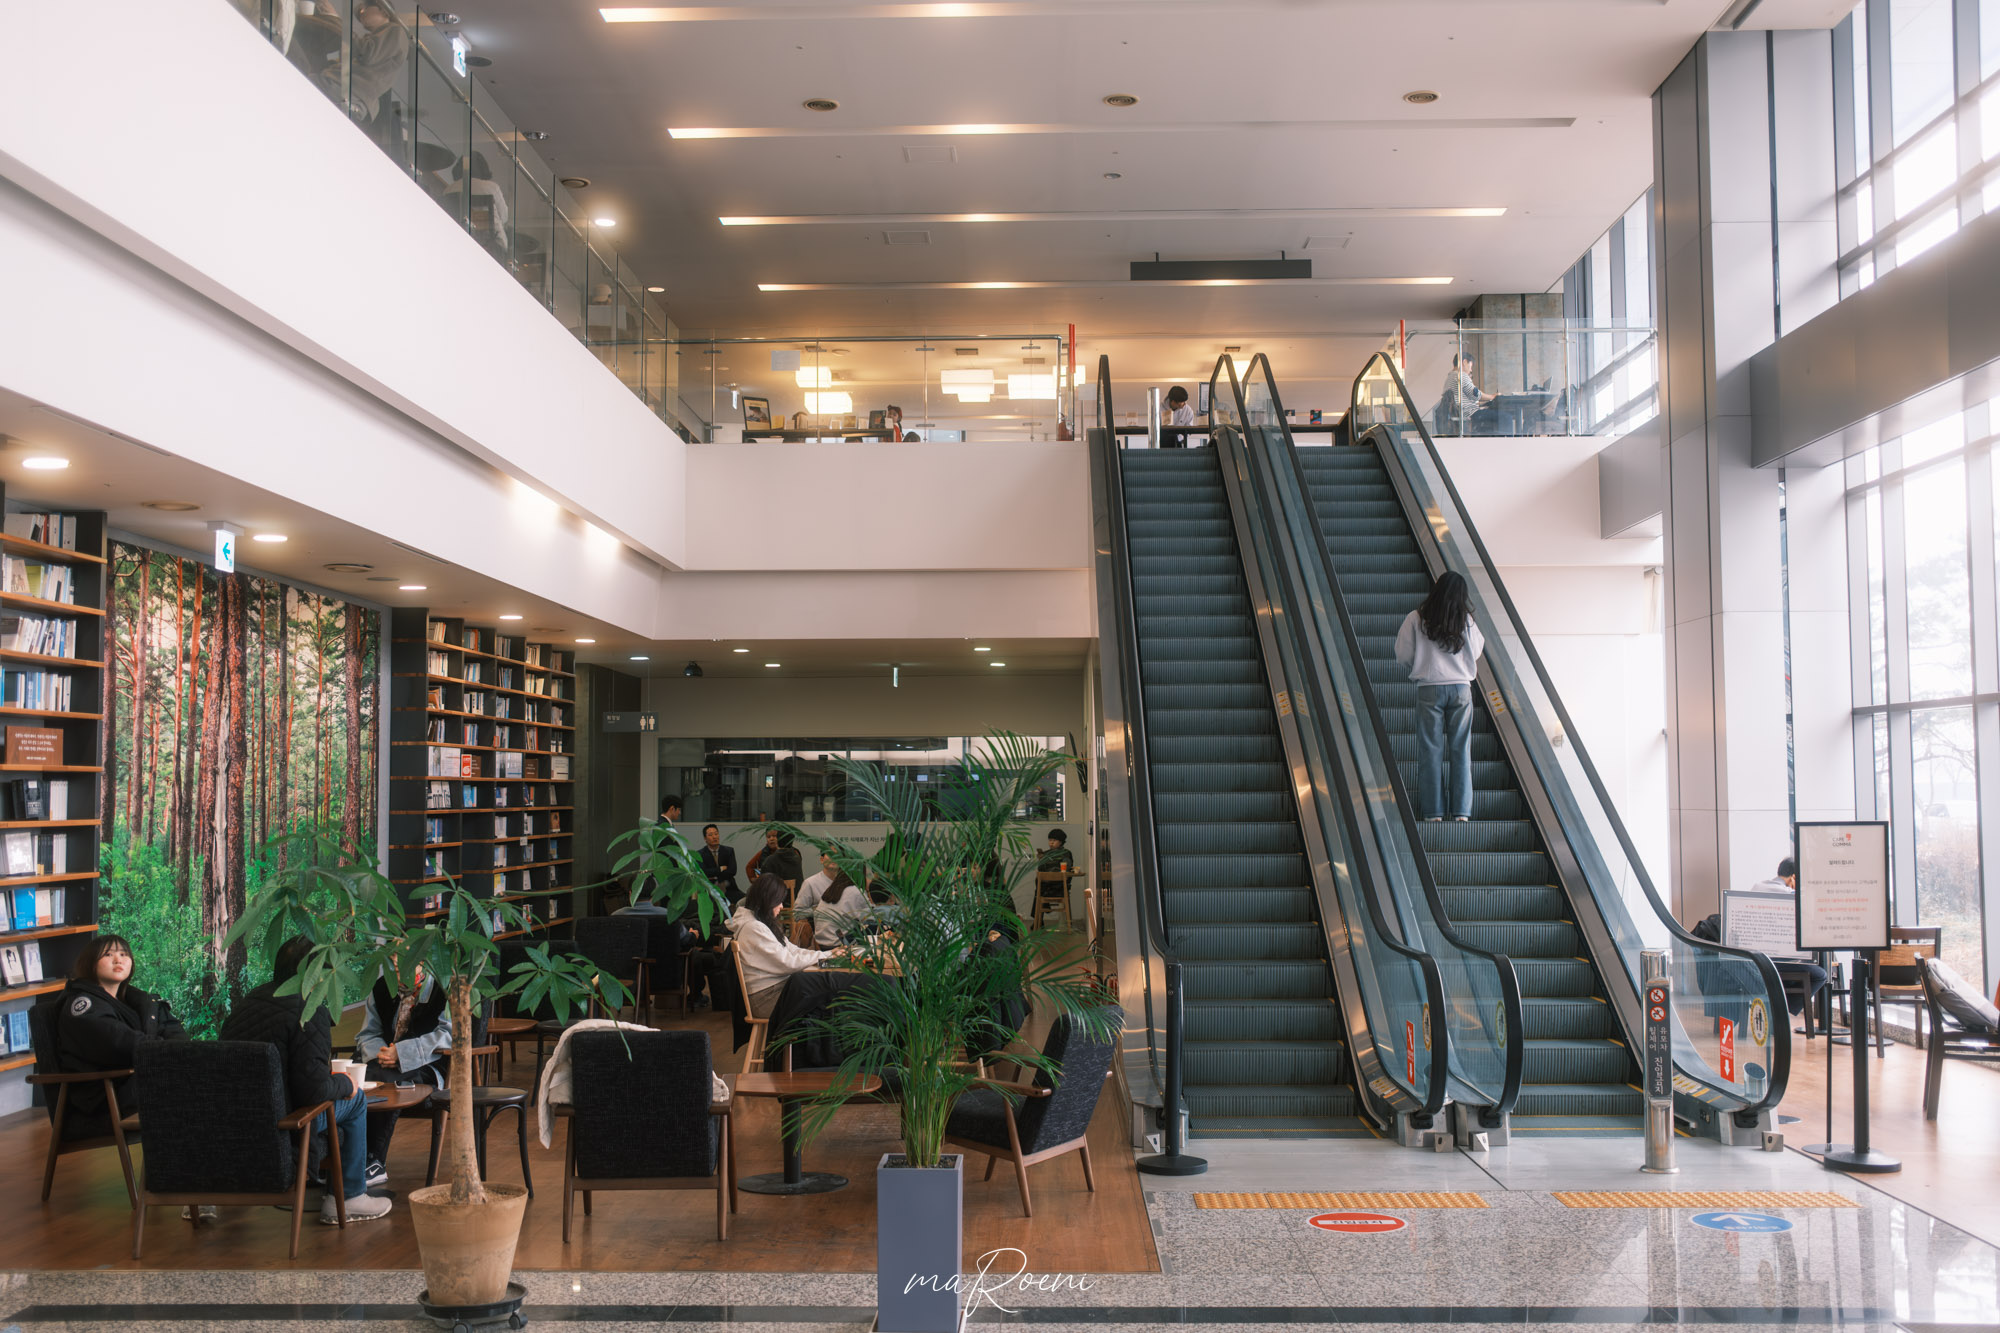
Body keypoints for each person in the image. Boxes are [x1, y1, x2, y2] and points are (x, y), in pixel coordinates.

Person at [220, 937, 390, 1223]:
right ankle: (348, 1198)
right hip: (285, 1124)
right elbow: (314, 1091)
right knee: (356, 1100)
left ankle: (331, 1184)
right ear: (317, 975)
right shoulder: (308, 1011)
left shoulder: (244, 1006)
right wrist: (347, 1083)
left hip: (234, 1123)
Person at [54, 935, 185, 1138]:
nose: (118, 960)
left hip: (135, 1083)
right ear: (90, 963)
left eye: (124, 954)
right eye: (108, 954)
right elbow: (121, 1043)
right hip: (105, 1096)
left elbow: (173, 1031)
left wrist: (181, 1052)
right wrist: (168, 1051)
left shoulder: (137, 1002)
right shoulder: (82, 1005)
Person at [1395, 571, 1483, 822]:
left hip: (1429, 688)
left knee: (1430, 750)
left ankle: (1433, 812)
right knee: (1461, 749)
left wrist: (1422, 664)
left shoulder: (1416, 618)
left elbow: (1402, 654)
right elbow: (1477, 650)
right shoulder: (1466, 620)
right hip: (1461, 689)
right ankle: (1461, 812)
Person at [354, 962, 452, 1188]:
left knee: (389, 1082)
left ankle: (374, 1160)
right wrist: (382, 1054)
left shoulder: (444, 986)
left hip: (427, 1065)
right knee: (352, 1079)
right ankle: (345, 1159)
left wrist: (402, 1052)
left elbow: (447, 1035)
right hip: (381, 1063)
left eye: (404, 962)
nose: (397, 968)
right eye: (393, 962)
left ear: (422, 961)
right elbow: (368, 1033)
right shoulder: (381, 987)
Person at [727, 874, 836, 1018]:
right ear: (768, 900)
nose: (782, 906)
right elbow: (788, 962)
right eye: (779, 901)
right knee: (827, 994)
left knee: (822, 987)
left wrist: (829, 955)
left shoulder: (760, 923)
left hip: (774, 991)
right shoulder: (754, 927)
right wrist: (829, 955)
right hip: (766, 1000)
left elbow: (792, 950)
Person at [797, 852, 868, 947]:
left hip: (820, 943)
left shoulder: (832, 888)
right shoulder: (856, 892)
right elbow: (871, 918)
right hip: (839, 944)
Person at [1439, 354, 1496, 435]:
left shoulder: (1450, 377)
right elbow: (1475, 394)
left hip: (1462, 413)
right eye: (1471, 366)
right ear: (1464, 362)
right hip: (1469, 414)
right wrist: (1493, 396)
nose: (1471, 370)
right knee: (1504, 417)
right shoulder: (1460, 375)